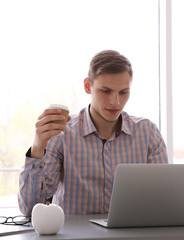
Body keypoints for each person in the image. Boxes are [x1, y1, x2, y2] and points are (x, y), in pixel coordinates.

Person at [18, 50, 168, 216]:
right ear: (88, 86)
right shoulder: (62, 135)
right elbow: (30, 209)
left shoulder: (148, 134)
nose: (115, 102)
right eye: (106, 91)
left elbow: (162, 202)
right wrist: (38, 147)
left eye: (123, 92)